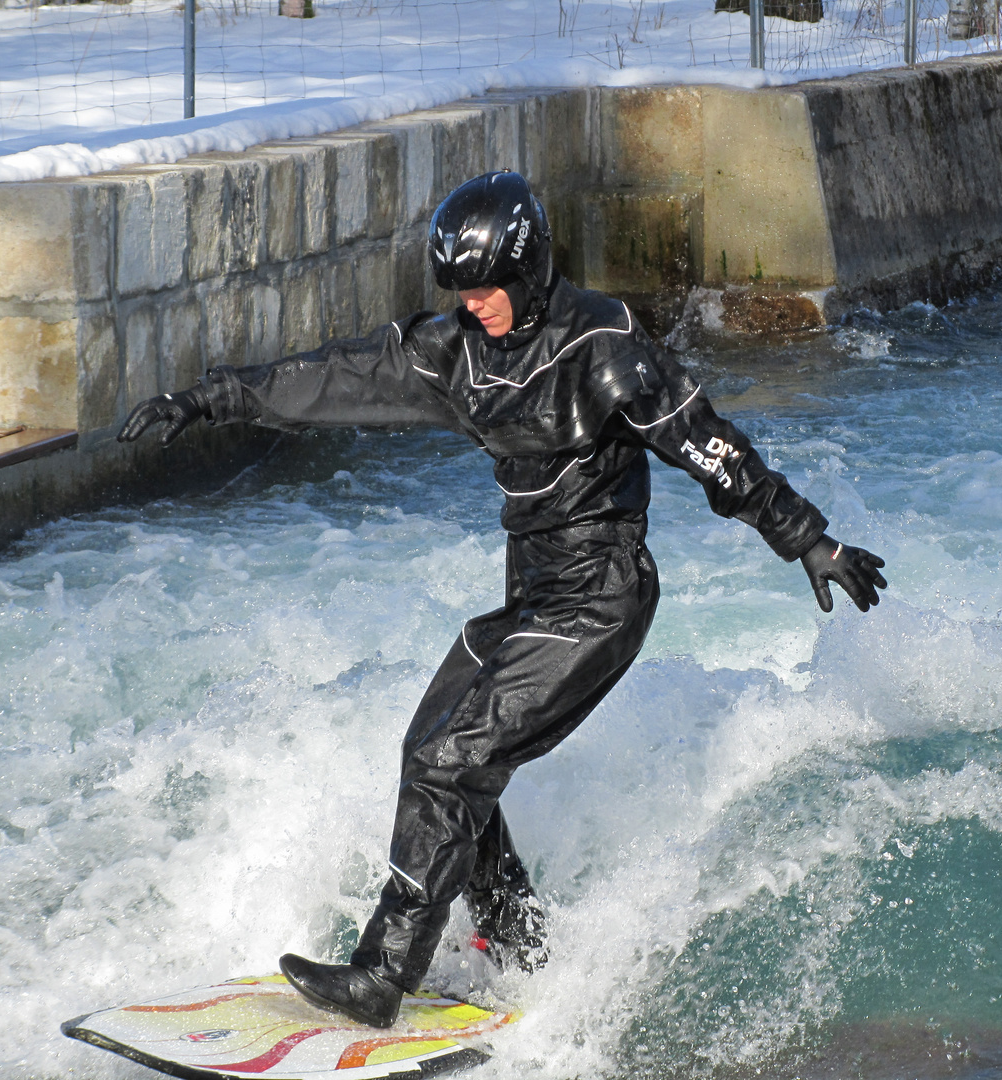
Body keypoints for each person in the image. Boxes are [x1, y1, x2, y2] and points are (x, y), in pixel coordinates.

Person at [118, 170, 888, 1028]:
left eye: (483, 288)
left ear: (528, 272)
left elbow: (713, 451)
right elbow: (335, 377)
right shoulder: (453, 352)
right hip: (530, 592)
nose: (469, 304)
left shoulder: (603, 344)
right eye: (457, 290)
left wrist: (809, 540)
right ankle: (519, 946)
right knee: (432, 750)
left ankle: (383, 974)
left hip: (601, 597)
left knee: (450, 762)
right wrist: (210, 397)